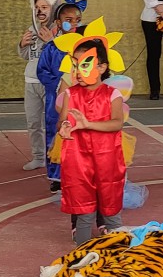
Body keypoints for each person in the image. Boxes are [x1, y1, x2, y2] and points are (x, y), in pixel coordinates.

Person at [55, 32, 128, 245]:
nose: (78, 71)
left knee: (111, 208)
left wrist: (88, 124)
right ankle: (83, 254)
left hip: (107, 161)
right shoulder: (70, 94)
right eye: (75, 65)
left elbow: (117, 123)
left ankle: (119, 255)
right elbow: (61, 122)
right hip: (78, 162)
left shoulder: (112, 94)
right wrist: (64, 128)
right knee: (84, 212)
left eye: (84, 64)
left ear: (102, 68)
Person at [38, 0, 86, 194]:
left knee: (79, 134)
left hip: (81, 99)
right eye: (68, 20)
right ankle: (57, 176)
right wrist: (60, 84)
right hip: (56, 99)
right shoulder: (51, 47)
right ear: (58, 22)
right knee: (55, 135)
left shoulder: (84, 46)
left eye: (77, 20)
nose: (74, 24)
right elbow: (42, 71)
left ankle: (79, 172)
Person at [18, 0, 63, 171]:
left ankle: (55, 156)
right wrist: (21, 44)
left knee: (53, 122)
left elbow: (63, 57)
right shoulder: (32, 28)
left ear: (53, 7)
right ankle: (38, 157)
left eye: (44, 7)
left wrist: (50, 43)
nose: (40, 11)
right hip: (31, 83)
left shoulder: (60, 30)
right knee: (33, 122)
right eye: (37, 7)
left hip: (50, 84)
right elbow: (27, 56)